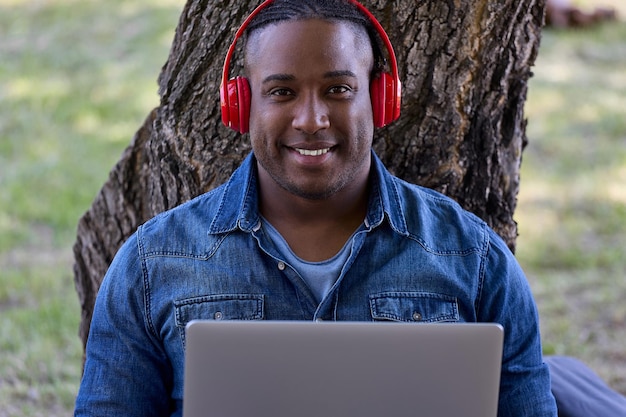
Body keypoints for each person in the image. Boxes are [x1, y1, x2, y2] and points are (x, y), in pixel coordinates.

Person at [74, 0, 558, 416]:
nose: (311, 119)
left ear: (381, 100)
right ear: (241, 106)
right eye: (281, 92)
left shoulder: (473, 258)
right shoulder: (152, 263)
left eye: (338, 89)